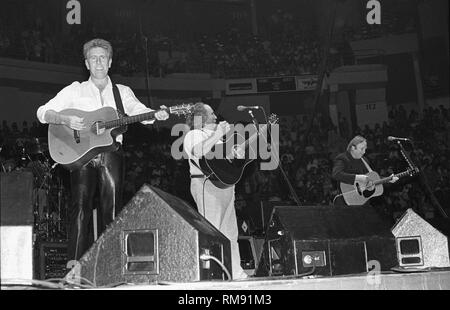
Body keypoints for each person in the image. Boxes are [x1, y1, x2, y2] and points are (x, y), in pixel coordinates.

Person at [36, 38, 169, 267]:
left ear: (110, 62)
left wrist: (155, 114)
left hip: (112, 152)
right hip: (80, 156)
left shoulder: (122, 92)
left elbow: (139, 111)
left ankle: (115, 265)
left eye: (102, 58)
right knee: (80, 209)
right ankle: (74, 267)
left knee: (113, 210)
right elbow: (42, 112)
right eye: (93, 58)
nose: (98, 62)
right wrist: (64, 118)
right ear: (87, 64)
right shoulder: (75, 90)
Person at [183, 102, 248, 280]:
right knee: (213, 230)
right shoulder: (194, 134)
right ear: (201, 118)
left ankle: (236, 274)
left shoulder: (219, 137)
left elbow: (223, 164)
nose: (215, 116)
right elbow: (199, 151)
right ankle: (212, 274)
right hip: (206, 184)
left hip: (225, 186)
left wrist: (237, 155)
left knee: (230, 233)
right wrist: (218, 134)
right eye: (211, 113)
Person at [332, 135, 398, 206]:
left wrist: (387, 179)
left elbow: (372, 178)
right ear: (353, 148)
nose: (364, 152)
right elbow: (336, 174)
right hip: (345, 202)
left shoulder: (365, 160)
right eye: (362, 149)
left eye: (365, 149)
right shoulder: (342, 158)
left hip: (363, 203)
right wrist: (358, 178)